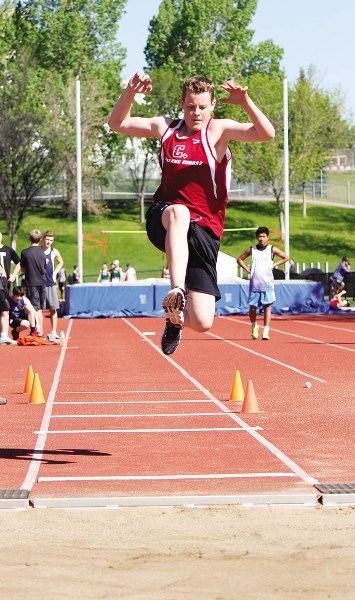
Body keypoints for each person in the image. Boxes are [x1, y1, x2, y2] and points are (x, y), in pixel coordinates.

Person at [108, 71, 275, 354]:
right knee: (180, 213)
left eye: (201, 107)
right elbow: (117, 123)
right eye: (190, 106)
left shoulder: (218, 131)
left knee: (203, 321)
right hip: (165, 217)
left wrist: (245, 102)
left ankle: (175, 321)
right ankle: (176, 291)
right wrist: (130, 92)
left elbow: (266, 134)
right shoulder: (166, 128)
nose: (195, 113)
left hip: (205, 232)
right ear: (181, 104)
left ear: (212, 106)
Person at [237, 226, 289, 340]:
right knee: (252, 307)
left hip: (267, 283)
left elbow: (286, 257)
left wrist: (275, 265)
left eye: (264, 236)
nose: (261, 238)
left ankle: (266, 330)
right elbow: (239, 259)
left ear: (267, 238)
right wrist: (248, 270)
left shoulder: (272, 249)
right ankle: (254, 326)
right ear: (257, 237)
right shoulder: (252, 249)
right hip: (255, 283)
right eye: (259, 236)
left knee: (267, 307)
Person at [20, 229, 46, 336]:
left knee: (35, 308)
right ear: (40, 239)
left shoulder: (25, 252)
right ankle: (40, 329)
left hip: (32, 282)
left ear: (29, 239)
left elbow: (22, 269)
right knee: (39, 307)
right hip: (42, 282)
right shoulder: (42, 252)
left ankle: (38, 329)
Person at [41, 230, 64, 339]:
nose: (48, 242)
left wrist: (55, 273)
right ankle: (39, 330)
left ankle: (54, 331)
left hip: (50, 282)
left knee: (52, 308)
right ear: (43, 239)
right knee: (38, 309)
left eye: (51, 240)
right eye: (47, 239)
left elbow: (61, 262)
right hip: (39, 283)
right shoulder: (38, 250)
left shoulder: (54, 251)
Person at [0, 232, 21, 345]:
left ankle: (3, 335)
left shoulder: (8, 250)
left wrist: (13, 275)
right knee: (5, 310)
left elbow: (19, 262)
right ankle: (3, 335)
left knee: (4, 310)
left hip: (4, 284)